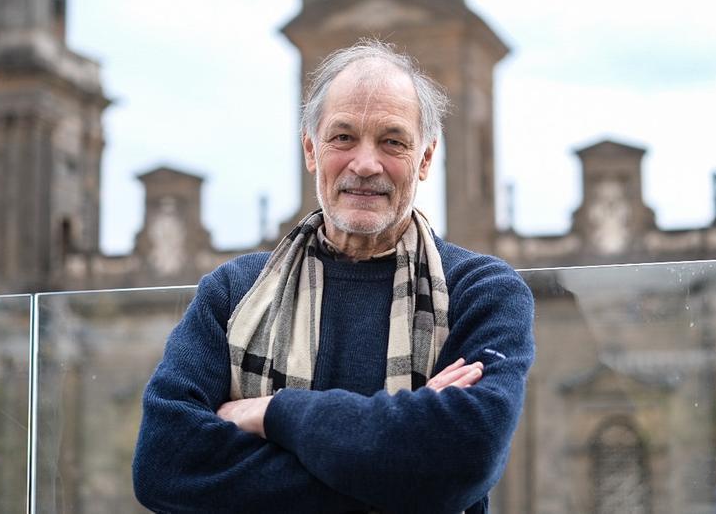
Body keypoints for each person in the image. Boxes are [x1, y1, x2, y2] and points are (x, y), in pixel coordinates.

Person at [132, 40, 535, 513]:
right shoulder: (234, 292)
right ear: (311, 150)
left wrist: (272, 413)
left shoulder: (483, 293)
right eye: (343, 137)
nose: (365, 165)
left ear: (425, 158)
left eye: (393, 141)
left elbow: (463, 459)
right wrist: (402, 468)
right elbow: (163, 467)